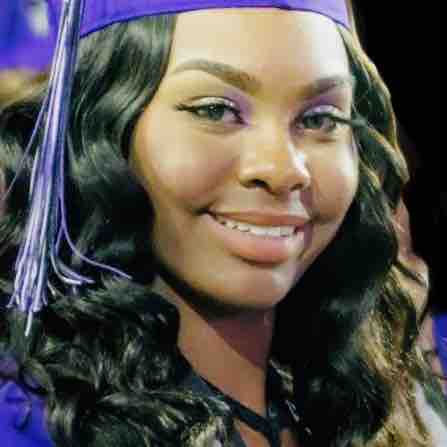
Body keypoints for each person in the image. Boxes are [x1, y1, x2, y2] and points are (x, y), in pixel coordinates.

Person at [1, 1, 446, 446]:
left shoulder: (379, 407)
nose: (283, 169)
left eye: (319, 119)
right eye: (215, 110)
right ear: (98, 130)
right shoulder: (30, 427)